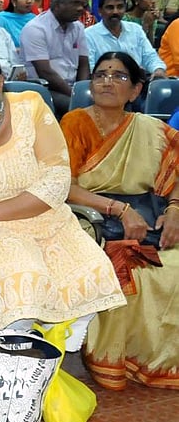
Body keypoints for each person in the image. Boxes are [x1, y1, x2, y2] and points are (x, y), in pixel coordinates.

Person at [0, 45, 125, 347]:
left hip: (44, 217)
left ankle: (50, 351)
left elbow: (57, 180)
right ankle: (12, 363)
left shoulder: (29, 106)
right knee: (26, 280)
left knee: (92, 270)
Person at [61, 52, 179, 391]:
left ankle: (160, 360)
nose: (107, 81)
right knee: (127, 268)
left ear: (136, 90)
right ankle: (114, 360)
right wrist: (119, 210)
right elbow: (63, 187)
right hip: (90, 218)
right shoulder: (75, 124)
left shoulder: (150, 129)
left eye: (118, 76)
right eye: (100, 75)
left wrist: (174, 210)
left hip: (149, 218)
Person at [20, 0, 90, 118]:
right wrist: (75, 95)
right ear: (57, 4)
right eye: (76, 3)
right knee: (80, 110)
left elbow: (83, 63)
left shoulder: (78, 27)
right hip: (45, 88)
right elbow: (45, 72)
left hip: (73, 87)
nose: (81, 9)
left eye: (83, 4)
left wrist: (81, 90)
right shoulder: (36, 29)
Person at [85, 0, 167, 93]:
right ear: (100, 11)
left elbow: (150, 56)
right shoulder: (89, 35)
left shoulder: (135, 30)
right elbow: (91, 69)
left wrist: (158, 69)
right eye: (110, 7)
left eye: (120, 7)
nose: (115, 12)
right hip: (107, 86)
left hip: (137, 84)